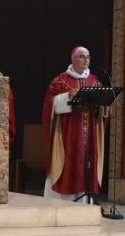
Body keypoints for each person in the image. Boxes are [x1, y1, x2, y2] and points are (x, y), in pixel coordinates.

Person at [42, 46, 106, 202]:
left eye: (88, 57)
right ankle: (63, 199)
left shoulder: (95, 80)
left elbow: (102, 110)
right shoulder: (60, 80)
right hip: (68, 132)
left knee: (87, 162)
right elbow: (49, 105)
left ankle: (85, 199)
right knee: (70, 162)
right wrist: (65, 97)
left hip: (89, 131)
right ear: (72, 59)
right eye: (82, 57)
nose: (86, 60)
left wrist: (105, 105)